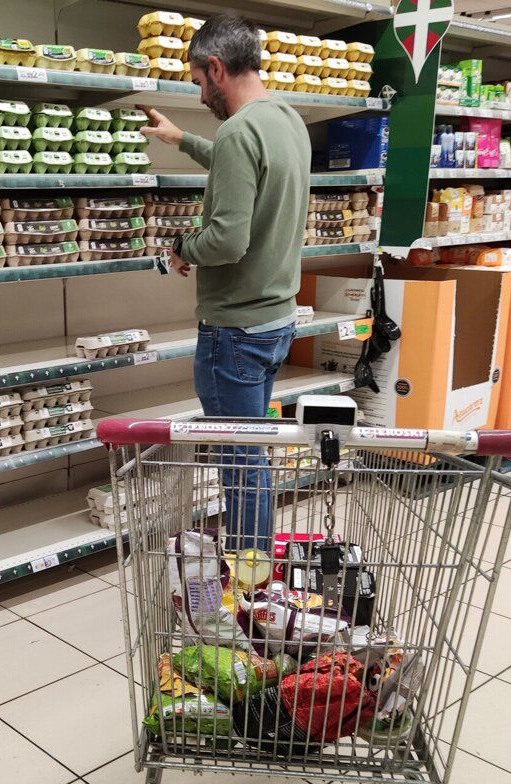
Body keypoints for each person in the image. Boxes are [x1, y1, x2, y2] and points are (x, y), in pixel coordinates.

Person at [140, 13, 311, 552]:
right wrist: (183, 140)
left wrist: (182, 247)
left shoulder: (238, 130)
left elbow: (227, 241)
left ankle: (249, 572)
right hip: (276, 321)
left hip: (234, 332)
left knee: (241, 463)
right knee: (252, 453)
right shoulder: (287, 119)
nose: (200, 93)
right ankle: (254, 562)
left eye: (198, 81)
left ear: (216, 68)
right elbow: (246, 164)